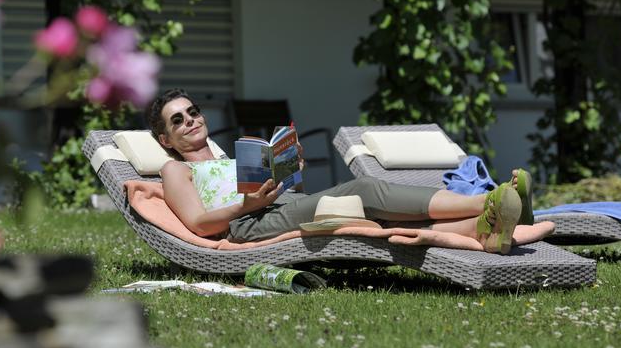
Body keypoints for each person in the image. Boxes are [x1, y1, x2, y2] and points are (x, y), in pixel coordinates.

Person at [145, 88, 541, 254]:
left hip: (275, 208)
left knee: (367, 214)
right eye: (177, 121)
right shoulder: (174, 171)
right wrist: (245, 205)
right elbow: (198, 224)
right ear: (166, 139)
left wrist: (286, 169)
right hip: (246, 225)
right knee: (364, 191)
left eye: (192, 112)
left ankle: (485, 226)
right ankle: (483, 201)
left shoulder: (225, 158)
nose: (191, 121)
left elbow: (271, 192)